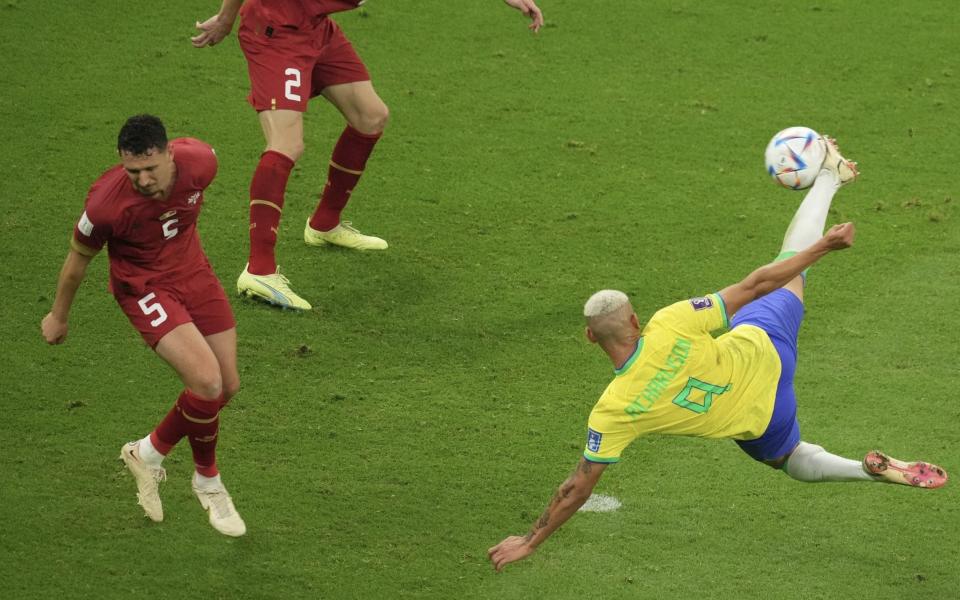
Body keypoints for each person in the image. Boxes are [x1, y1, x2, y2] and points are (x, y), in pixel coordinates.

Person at [488, 138, 948, 571]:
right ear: (635, 321)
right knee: (788, 262)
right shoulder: (669, 322)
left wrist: (529, 541)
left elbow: (576, 488)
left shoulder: (614, 410)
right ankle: (829, 174)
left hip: (761, 415)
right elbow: (754, 284)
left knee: (788, 459)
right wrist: (824, 247)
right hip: (766, 346)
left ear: (591, 339)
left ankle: (862, 472)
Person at [191, 0, 545, 310]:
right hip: (276, 32)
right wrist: (226, 17)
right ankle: (259, 271)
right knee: (287, 144)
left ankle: (324, 224)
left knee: (371, 116)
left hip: (315, 28)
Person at [41, 115, 247, 537]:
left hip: (195, 273)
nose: (144, 179)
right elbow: (77, 263)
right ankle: (208, 483)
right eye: (133, 171)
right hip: (145, 287)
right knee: (206, 383)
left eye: (151, 167)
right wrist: (58, 315)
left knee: (227, 386)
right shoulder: (104, 205)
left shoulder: (202, 162)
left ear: (170, 153)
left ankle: (147, 452)